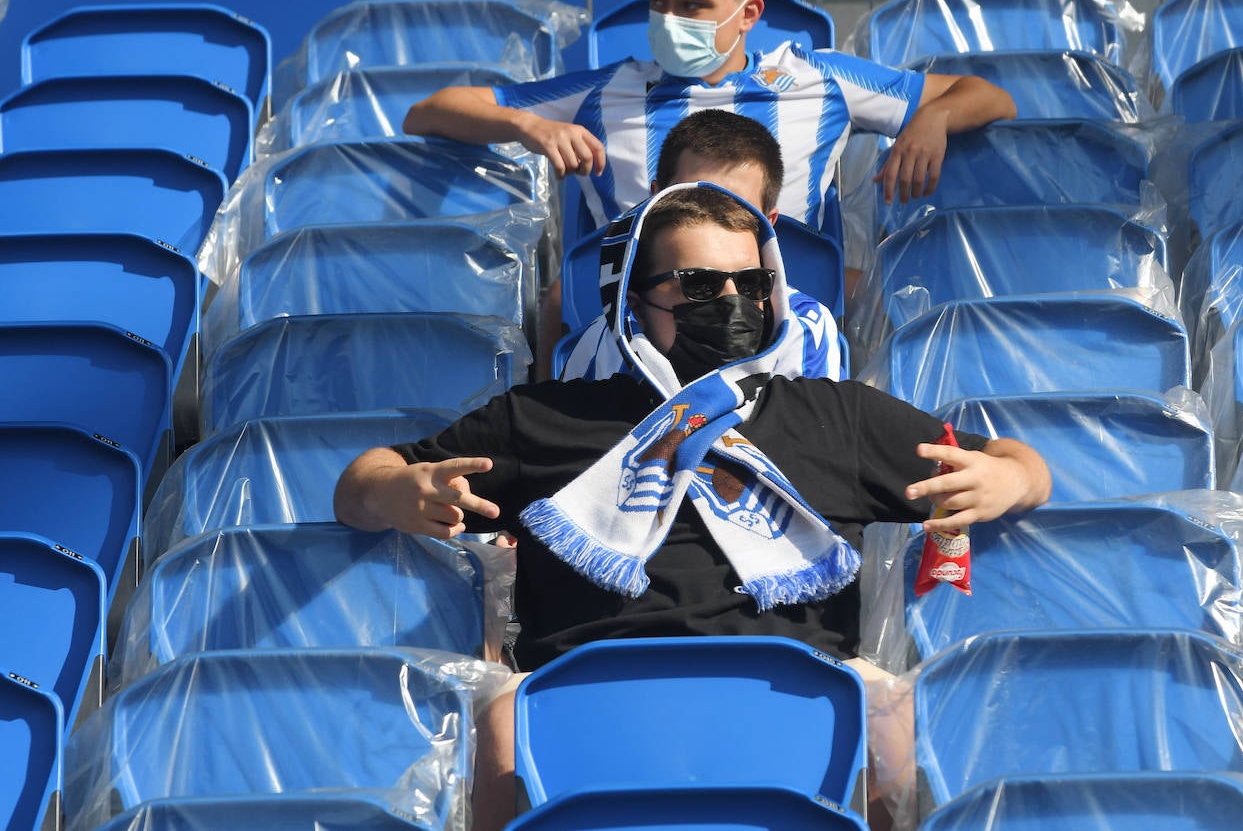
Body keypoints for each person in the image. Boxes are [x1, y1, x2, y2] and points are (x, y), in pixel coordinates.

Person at [334, 183, 1050, 828]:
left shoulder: (840, 415)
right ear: (634, 298)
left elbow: (1020, 464)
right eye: (701, 284)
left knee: (893, 716)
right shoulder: (542, 418)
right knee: (496, 725)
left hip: (801, 700)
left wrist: (1010, 480)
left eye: (752, 281)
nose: (732, 300)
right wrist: (395, 490)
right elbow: (362, 483)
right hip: (587, 705)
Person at [402, 0, 1017, 230]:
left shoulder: (822, 79)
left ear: (749, 13)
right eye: (658, 0)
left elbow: (988, 96)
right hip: (634, 339)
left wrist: (932, 117)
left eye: (692, 5)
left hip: (786, 339)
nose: (669, 18)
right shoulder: (603, 88)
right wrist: (526, 126)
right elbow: (428, 111)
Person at [561, 108, 845, 381]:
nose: (709, 217)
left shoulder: (806, 329)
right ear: (655, 201)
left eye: (734, 207)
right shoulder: (604, 341)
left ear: (767, 222)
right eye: (691, 199)